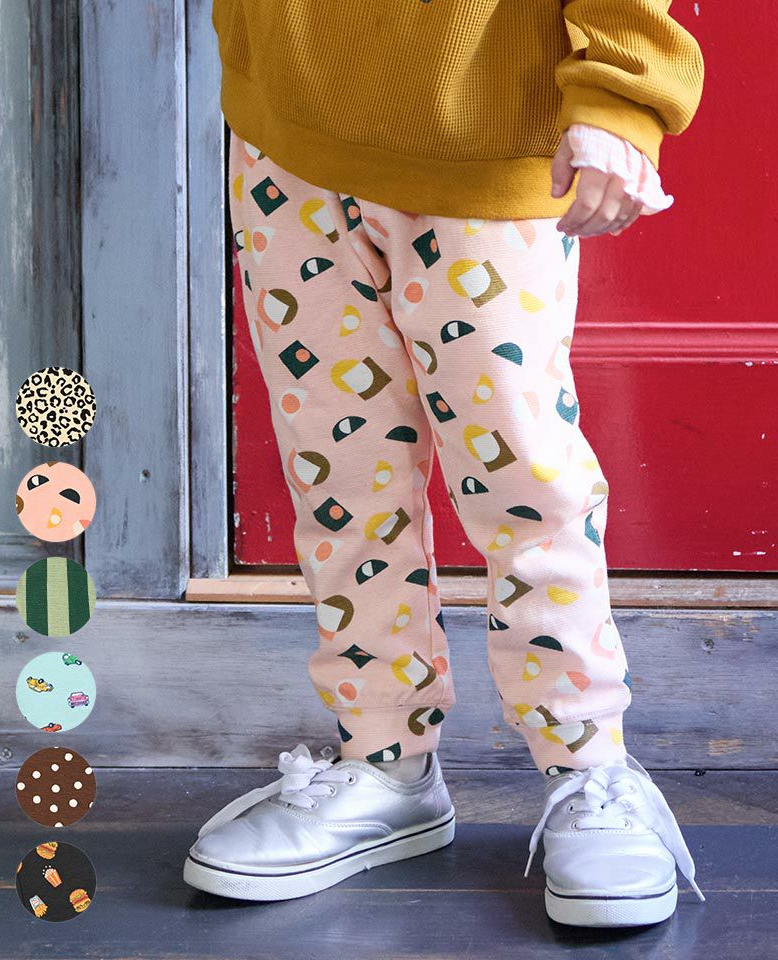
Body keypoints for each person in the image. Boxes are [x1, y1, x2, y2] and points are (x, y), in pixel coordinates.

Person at [184, 0, 705, 928]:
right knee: (340, 478)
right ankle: (383, 758)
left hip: (485, 133)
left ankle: (589, 767)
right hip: (287, 133)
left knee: (525, 484)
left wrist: (623, 86)